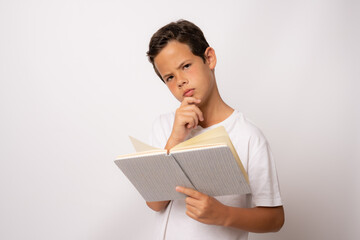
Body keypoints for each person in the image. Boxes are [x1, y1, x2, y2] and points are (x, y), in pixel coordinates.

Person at [145, 19, 284, 240]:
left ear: (209, 58)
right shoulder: (163, 127)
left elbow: (275, 219)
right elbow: (154, 203)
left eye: (186, 66)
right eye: (169, 77)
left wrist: (224, 214)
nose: (180, 81)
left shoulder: (248, 136)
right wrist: (175, 140)